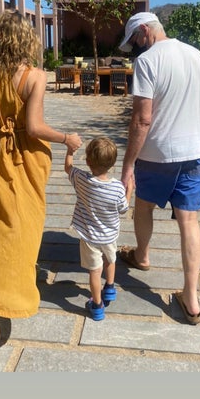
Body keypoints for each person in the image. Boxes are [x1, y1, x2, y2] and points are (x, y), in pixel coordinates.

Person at [0, 12, 83, 342]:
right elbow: (34, 128)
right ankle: (16, 295)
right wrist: (66, 138)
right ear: (25, 40)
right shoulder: (35, 76)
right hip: (26, 161)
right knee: (23, 229)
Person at [116, 12, 200, 324]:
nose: (135, 47)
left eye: (135, 40)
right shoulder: (195, 55)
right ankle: (191, 298)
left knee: (143, 207)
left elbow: (142, 119)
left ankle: (142, 256)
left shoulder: (147, 62)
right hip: (194, 151)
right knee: (189, 221)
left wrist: (128, 165)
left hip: (157, 153)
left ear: (145, 30)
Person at [64, 137, 129, 321]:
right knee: (110, 260)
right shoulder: (117, 187)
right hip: (109, 236)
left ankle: (97, 305)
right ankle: (109, 287)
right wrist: (129, 191)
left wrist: (70, 150)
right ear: (112, 163)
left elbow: (68, 167)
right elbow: (123, 209)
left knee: (94, 271)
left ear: (87, 161)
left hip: (89, 237)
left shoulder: (81, 179)